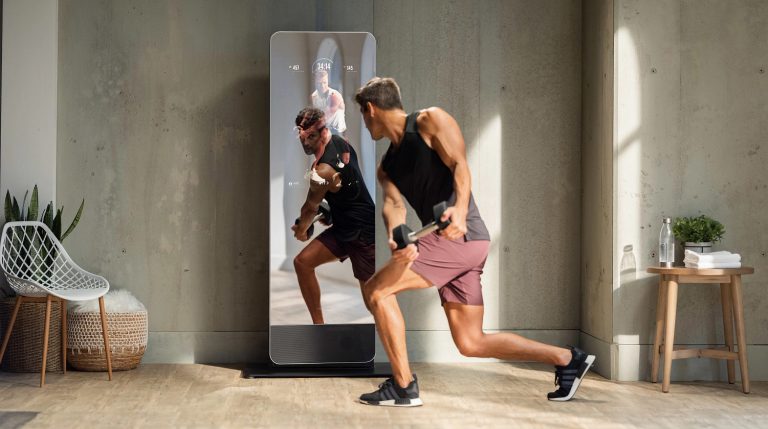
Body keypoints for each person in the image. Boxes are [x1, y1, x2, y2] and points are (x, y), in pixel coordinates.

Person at [354, 77, 595, 406]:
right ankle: (568, 359)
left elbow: (460, 164)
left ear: (370, 109)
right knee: (471, 342)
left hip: (460, 236)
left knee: (376, 291)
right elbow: (393, 205)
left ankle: (403, 385)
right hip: (453, 244)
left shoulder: (429, 120)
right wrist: (397, 238)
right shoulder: (388, 166)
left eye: (362, 114)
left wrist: (461, 210)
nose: (364, 122)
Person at [291, 107, 375, 324]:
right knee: (302, 263)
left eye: (311, 137)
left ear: (323, 130)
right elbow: (344, 188)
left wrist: (301, 230)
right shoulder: (339, 142)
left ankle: (389, 341)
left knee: (374, 302)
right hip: (343, 227)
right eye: (302, 136)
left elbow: (309, 208)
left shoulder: (323, 171)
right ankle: (320, 328)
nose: (306, 142)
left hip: (364, 233)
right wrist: (329, 213)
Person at [311, 70, 347, 136]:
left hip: (336, 134)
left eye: (324, 82)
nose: (322, 86)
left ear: (328, 82)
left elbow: (327, 116)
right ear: (315, 83)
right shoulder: (314, 96)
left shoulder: (334, 95)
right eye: (319, 83)